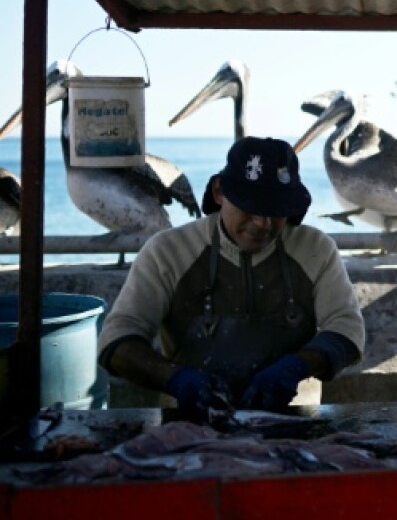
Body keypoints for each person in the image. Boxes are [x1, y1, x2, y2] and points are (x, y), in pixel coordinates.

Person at [98, 137, 365, 420]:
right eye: (251, 207)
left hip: (295, 425)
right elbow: (116, 341)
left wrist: (297, 367)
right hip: (190, 429)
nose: (263, 224)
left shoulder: (316, 249)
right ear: (219, 192)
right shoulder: (167, 252)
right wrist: (175, 379)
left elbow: (347, 329)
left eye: (276, 211)